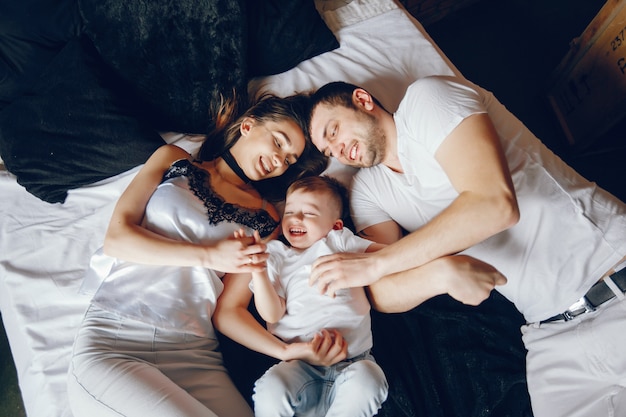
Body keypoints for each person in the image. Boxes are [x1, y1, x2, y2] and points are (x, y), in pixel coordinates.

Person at [306, 75, 626, 417]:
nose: (337, 150)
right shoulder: (369, 191)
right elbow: (382, 294)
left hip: (612, 281)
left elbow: (493, 205)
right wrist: (439, 275)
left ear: (362, 100)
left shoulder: (426, 101)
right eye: (329, 151)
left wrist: (376, 264)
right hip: (549, 334)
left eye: (334, 131)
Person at [66, 93, 329, 417]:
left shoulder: (267, 219)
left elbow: (229, 312)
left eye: (289, 160)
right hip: (118, 338)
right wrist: (208, 256)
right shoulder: (173, 160)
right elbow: (117, 239)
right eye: (278, 142)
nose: (279, 161)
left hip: (196, 355)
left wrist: (288, 350)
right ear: (248, 125)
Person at [228, 175, 388, 417]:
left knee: (369, 379)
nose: (296, 218)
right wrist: (258, 272)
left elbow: (388, 255)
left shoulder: (340, 241)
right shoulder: (276, 255)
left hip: (354, 362)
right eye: (290, 211)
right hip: (298, 365)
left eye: (309, 213)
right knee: (270, 389)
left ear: (335, 225)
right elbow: (272, 313)